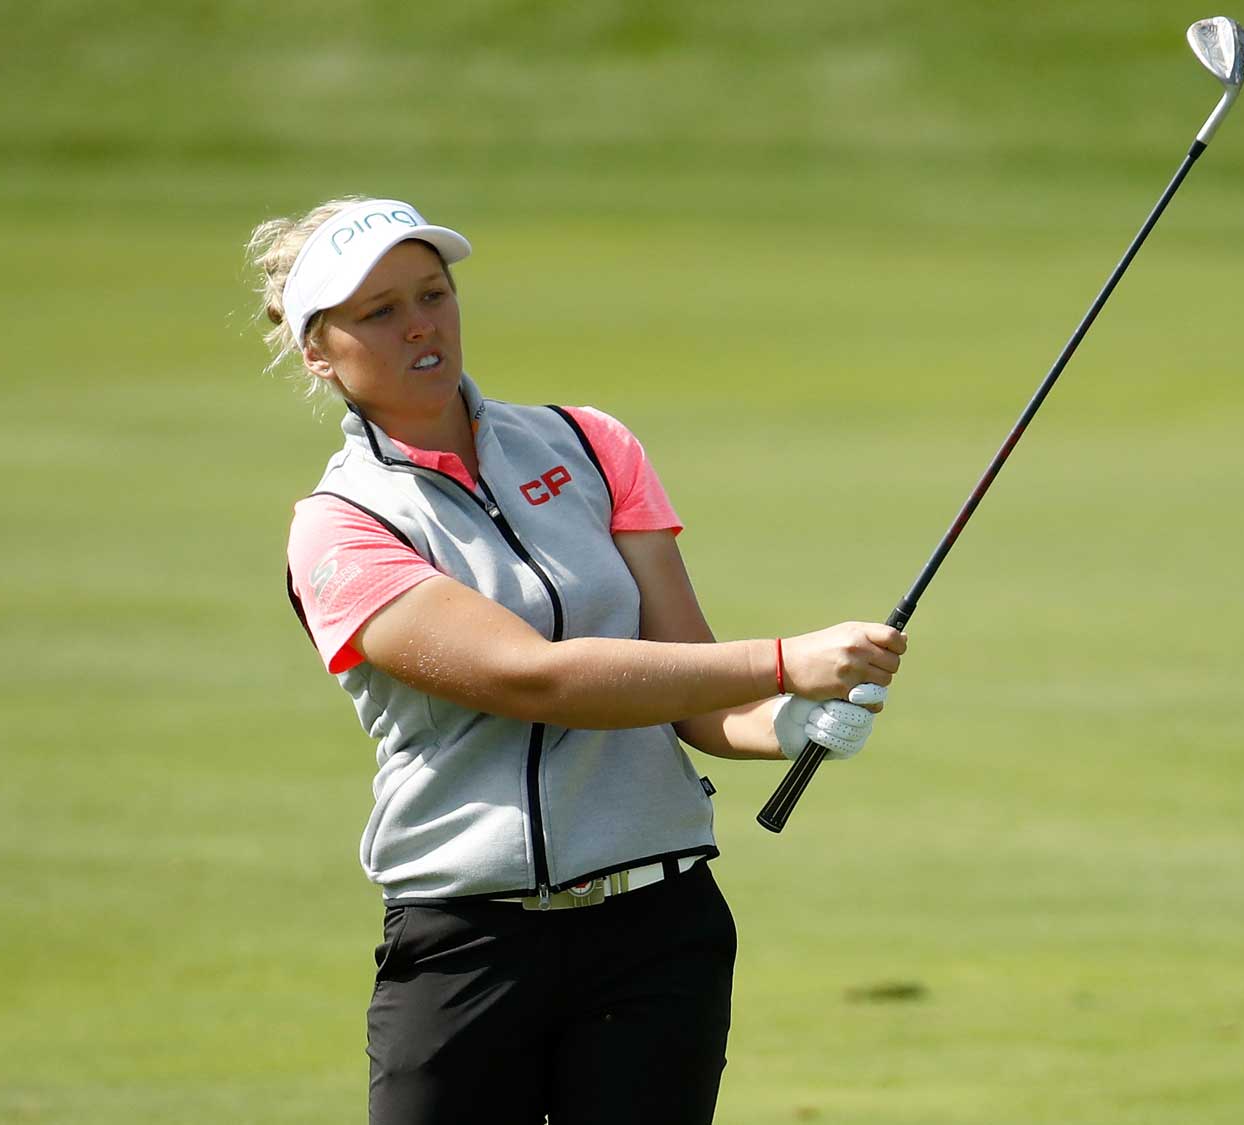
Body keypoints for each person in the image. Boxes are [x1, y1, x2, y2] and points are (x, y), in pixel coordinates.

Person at [247, 196, 907, 1125]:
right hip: (468, 940)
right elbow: (535, 677)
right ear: (319, 350)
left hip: (656, 929)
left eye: (432, 293)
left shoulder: (592, 446)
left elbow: (688, 692)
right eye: (379, 310)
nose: (421, 324)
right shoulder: (341, 528)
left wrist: (784, 725)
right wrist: (782, 661)